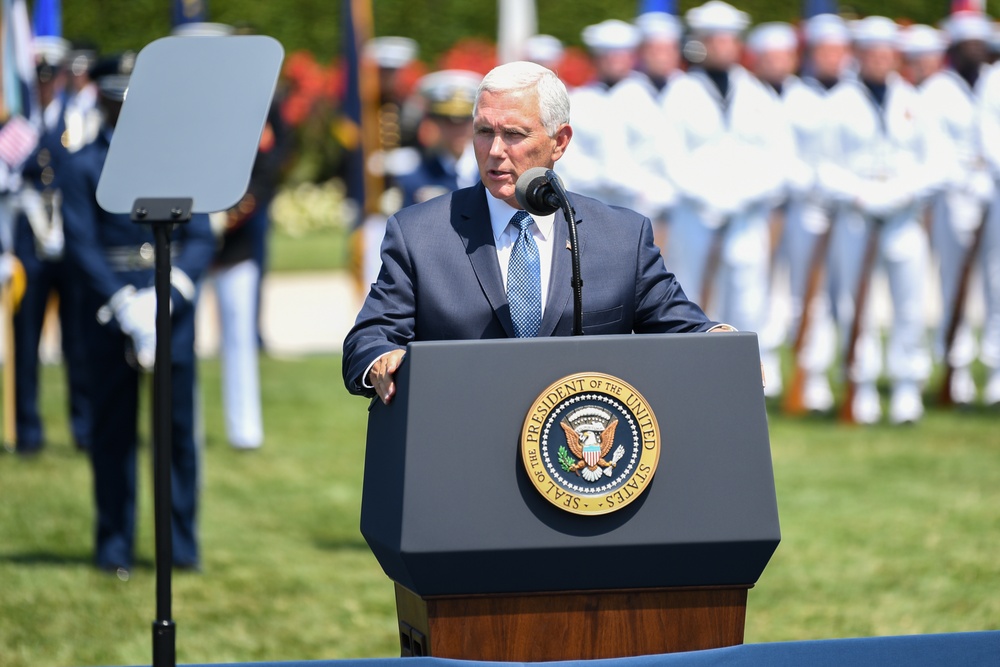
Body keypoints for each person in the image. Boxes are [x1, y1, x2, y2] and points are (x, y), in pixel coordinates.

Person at [343, 60, 733, 403]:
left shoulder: (621, 236)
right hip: (460, 447)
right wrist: (381, 358)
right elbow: (368, 339)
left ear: (559, 142)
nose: (495, 150)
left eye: (513, 134)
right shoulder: (420, 234)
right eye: (483, 131)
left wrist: (719, 340)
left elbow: (681, 326)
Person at [61, 53, 216, 573]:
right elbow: (80, 244)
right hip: (111, 313)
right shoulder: (82, 163)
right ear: (102, 101)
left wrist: (168, 291)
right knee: (112, 434)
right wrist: (122, 301)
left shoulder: (174, 159)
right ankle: (113, 547)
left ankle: (180, 547)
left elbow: (199, 235)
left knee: (176, 434)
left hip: (168, 305)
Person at [659, 0, 794, 398]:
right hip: (697, 214)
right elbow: (669, 157)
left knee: (750, 293)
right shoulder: (679, 92)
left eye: (729, 38)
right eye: (714, 39)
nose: (722, 46)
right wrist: (708, 198)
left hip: (746, 215)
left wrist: (744, 197)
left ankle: (756, 376)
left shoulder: (757, 92)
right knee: (691, 293)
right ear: (700, 42)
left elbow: (780, 158)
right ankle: (693, 375)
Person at [818, 16, 944, 424]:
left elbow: (938, 162)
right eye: (871, 53)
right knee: (855, 304)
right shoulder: (837, 103)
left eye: (885, 52)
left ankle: (908, 386)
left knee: (909, 304)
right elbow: (823, 166)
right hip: (857, 215)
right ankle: (863, 384)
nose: (878, 59)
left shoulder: (915, 100)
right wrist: (857, 192)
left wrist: (907, 191)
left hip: (904, 216)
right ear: (859, 55)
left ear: (895, 56)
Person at [748, 21, 837, 412]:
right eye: (768, 57)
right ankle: (767, 374)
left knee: (809, 291)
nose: (776, 63)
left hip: (802, 208)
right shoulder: (746, 96)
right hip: (760, 208)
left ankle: (812, 375)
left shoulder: (810, 100)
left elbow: (823, 157)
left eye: (782, 56)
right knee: (760, 293)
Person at [11, 36, 92, 453]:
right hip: (31, 242)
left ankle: (83, 429)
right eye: (38, 79)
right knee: (27, 340)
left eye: (50, 78)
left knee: (77, 341)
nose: (45, 86)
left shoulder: (77, 122)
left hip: (70, 240)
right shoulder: (20, 126)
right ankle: (28, 431)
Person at [923, 11, 994, 405]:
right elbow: (936, 151)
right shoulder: (936, 90)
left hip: (995, 193)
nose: (976, 52)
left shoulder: (995, 84)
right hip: (955, 194)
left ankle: (996, 371)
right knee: (955, 283)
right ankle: (957, 367)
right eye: (969, 46)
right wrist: (964, 178)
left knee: (997, 285)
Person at [556, 19, 640, 208]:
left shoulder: (645, 99)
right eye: (608, 56)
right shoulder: (579, 100)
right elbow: (569, 152)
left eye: (621, 55)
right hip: (592, 200)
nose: (615, 62)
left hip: (637, 202)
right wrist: (602, 178)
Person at [394, 69, 481, 208]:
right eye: (448, 121)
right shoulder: (417, 178)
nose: (456, 130)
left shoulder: (491, 172)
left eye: (464, 120)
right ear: (435, 122)